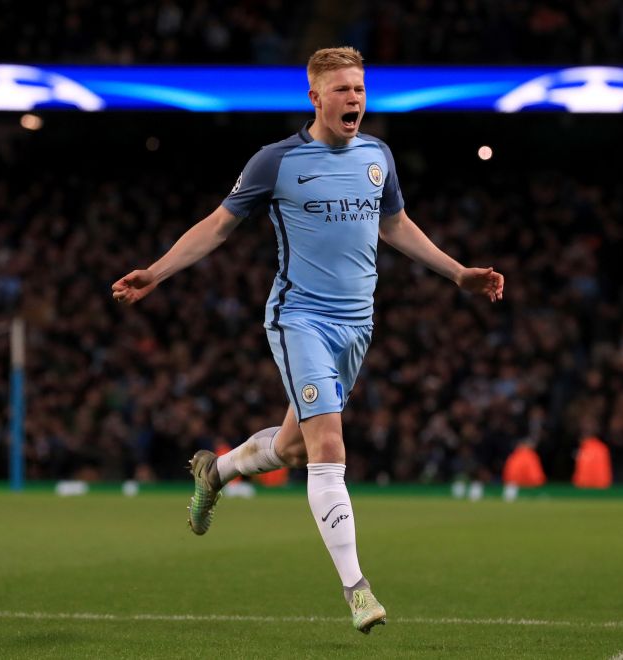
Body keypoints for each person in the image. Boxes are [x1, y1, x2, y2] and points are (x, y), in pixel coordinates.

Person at [112, 46, 504, 633]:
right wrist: (156, 271)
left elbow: (394, 224)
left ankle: (215, 472)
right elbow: (218, 226)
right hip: (299, 318)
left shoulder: (378, 156)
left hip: (358, 324)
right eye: (342, 90)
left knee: (295, 449)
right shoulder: (277, 162)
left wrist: (458, 273)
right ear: (315, 97)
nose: (355, 100)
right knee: (328, 448)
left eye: (360, 90)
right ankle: (358, 590)